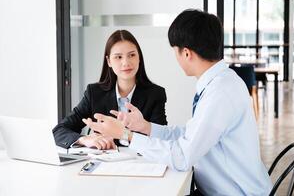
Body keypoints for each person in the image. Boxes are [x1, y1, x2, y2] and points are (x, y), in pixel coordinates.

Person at [83, 10, 273, 195]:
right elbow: (190, 135)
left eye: (175, 51)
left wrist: (126, 135)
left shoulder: (220, 94)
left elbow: (182, 157)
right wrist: (147, 127)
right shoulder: (222, 82)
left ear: (186, 53)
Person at [53, 30, 167, 150]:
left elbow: (161, 140)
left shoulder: (155, 94)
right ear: (109, 61)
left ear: (139, 58)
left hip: (142, 165)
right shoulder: (94, 93)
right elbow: (59, 131)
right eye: (118, 57)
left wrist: (125, 134)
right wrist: (85, 139)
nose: (126, 62)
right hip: (103, 165)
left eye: (132, 55)